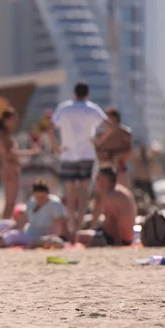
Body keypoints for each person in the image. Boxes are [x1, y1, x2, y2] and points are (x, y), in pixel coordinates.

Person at [47, 81, 113, 233]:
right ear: (87, 94)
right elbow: (110, 127)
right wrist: (98, 142)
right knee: (84, 190)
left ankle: (71, 224)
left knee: (70, 191)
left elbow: (49, 129)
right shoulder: (92, 108)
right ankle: (79, 223)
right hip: (87, 154)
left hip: (68, 153)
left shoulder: (64, 108)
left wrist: (56, 147)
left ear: (74, 93)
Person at [0, 180, 68, 250]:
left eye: (42, 197)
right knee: (2, 224)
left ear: (47, 194)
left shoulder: (55, 204)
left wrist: (53, 239)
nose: (39, 200)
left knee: (10, 236)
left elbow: (59, 226)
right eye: (37, 197)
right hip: (28, 230)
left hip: (38, 236)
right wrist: (3, 231)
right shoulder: (32, 202)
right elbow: (21, 222)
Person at [0, 109, 41, 219]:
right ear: (5, 120)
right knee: (10, 203)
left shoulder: (7, 134)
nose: (15, 121)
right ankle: (2, 227)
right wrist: (30, 152)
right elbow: (8, 154)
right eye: (12, 119)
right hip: (10, 169)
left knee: (11, 202)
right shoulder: (3, 135)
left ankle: (4, 225)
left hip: (12, 168)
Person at [76, 167, 136, 247]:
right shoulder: (118, 191)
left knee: (78, 236)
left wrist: (117, 244)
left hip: (118, 238)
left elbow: (114, 222)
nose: (96, 180)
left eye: (98, 178)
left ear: (105, 180)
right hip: (124, 237)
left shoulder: (110, 196)